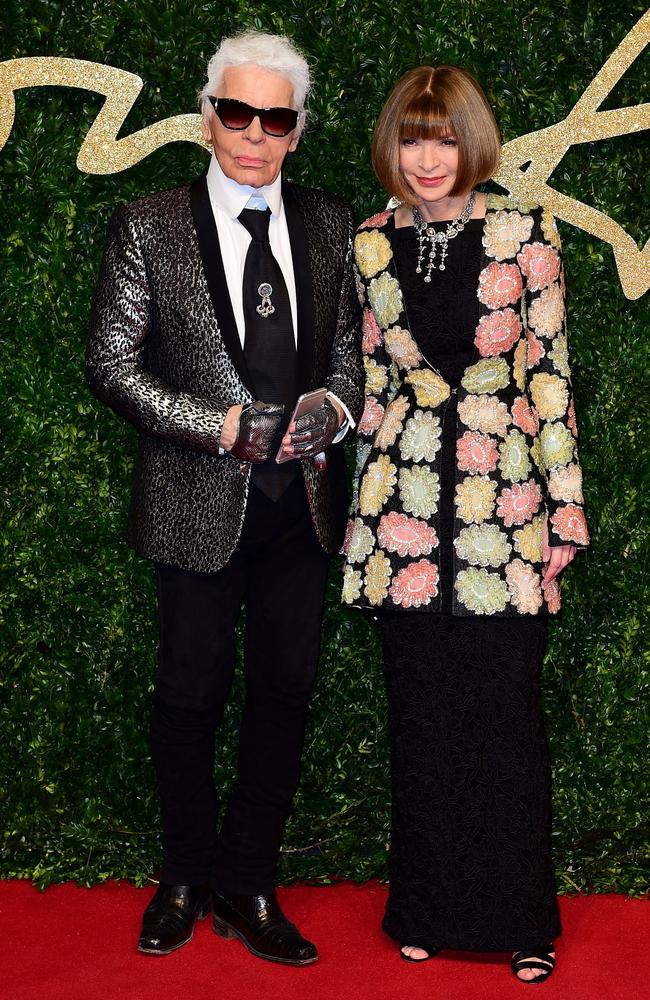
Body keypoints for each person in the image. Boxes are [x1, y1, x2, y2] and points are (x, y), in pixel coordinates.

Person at [87, 30, 363, 964]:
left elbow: (354, 361)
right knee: (188, 694)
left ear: (296, 131)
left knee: (285, 693)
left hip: (305, 510)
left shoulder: (334, 224)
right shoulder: (147, 223)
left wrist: (334, 408)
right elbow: (112, 366)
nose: (253, 133)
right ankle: (181, 874)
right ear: (208, 115)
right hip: (194, 506)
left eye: (274, 118)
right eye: (236, 111)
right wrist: (220, 425)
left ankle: (248, 880)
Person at [342, 65, 589, 984]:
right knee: (423, 720)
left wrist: (562, 519)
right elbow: (371, 388)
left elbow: (552, 381)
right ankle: (426, 909)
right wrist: (361, 528)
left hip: (506, 500)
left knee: (505, 720)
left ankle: (522, 920)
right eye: (413, 138)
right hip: (403, 504)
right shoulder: (369, 244)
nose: (429, 157)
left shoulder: (527, 236)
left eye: (445, 138)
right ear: (393, 147)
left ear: (472, 141)